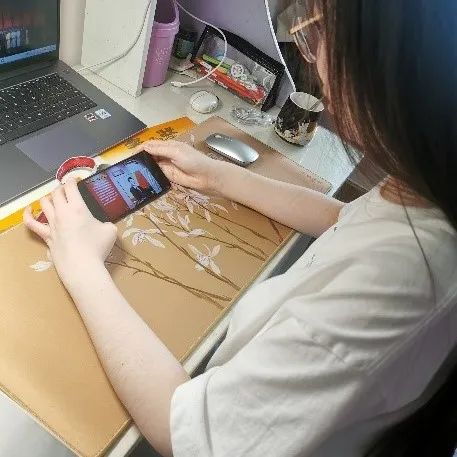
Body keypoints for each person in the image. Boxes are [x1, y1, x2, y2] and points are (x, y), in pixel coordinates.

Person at [23, 0, 457, 456]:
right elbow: (346, 220)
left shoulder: (400, 279)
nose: (313, 60)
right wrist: (221, 177)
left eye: (318, 31)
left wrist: (83, 268)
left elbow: (188, 435)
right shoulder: (429, 186)